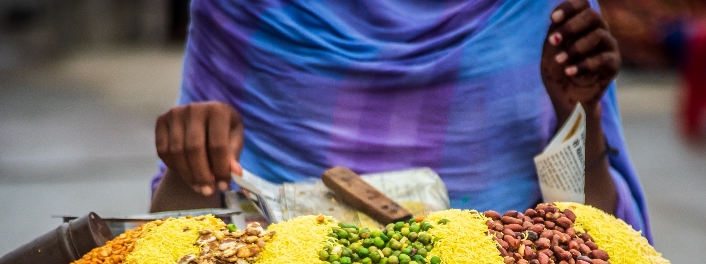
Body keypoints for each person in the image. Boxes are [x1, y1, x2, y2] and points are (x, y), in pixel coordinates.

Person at [149, 0, 650, 241]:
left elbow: (594, 244)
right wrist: (191, 158)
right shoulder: (245, 9)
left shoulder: (536, 9)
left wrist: (578, 115)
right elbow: (180, 250)